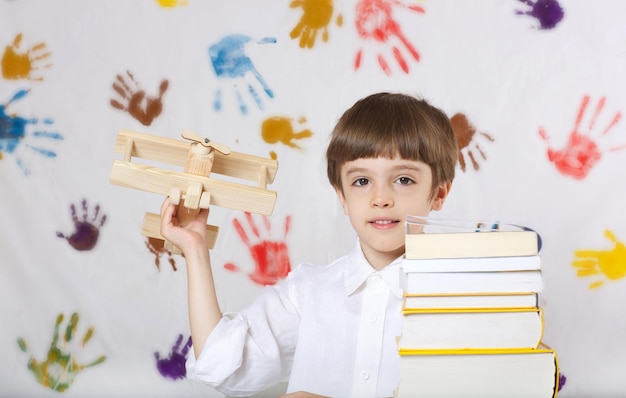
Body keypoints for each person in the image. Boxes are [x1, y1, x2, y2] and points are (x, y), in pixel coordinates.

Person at [160, 92, 458, 397]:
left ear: (438, 193)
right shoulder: (307, 291)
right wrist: (195, 249)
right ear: (341, 195)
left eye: (404, 180)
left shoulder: (463, 297)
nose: (380, 198)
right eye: (362, 181)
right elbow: (221, 367)